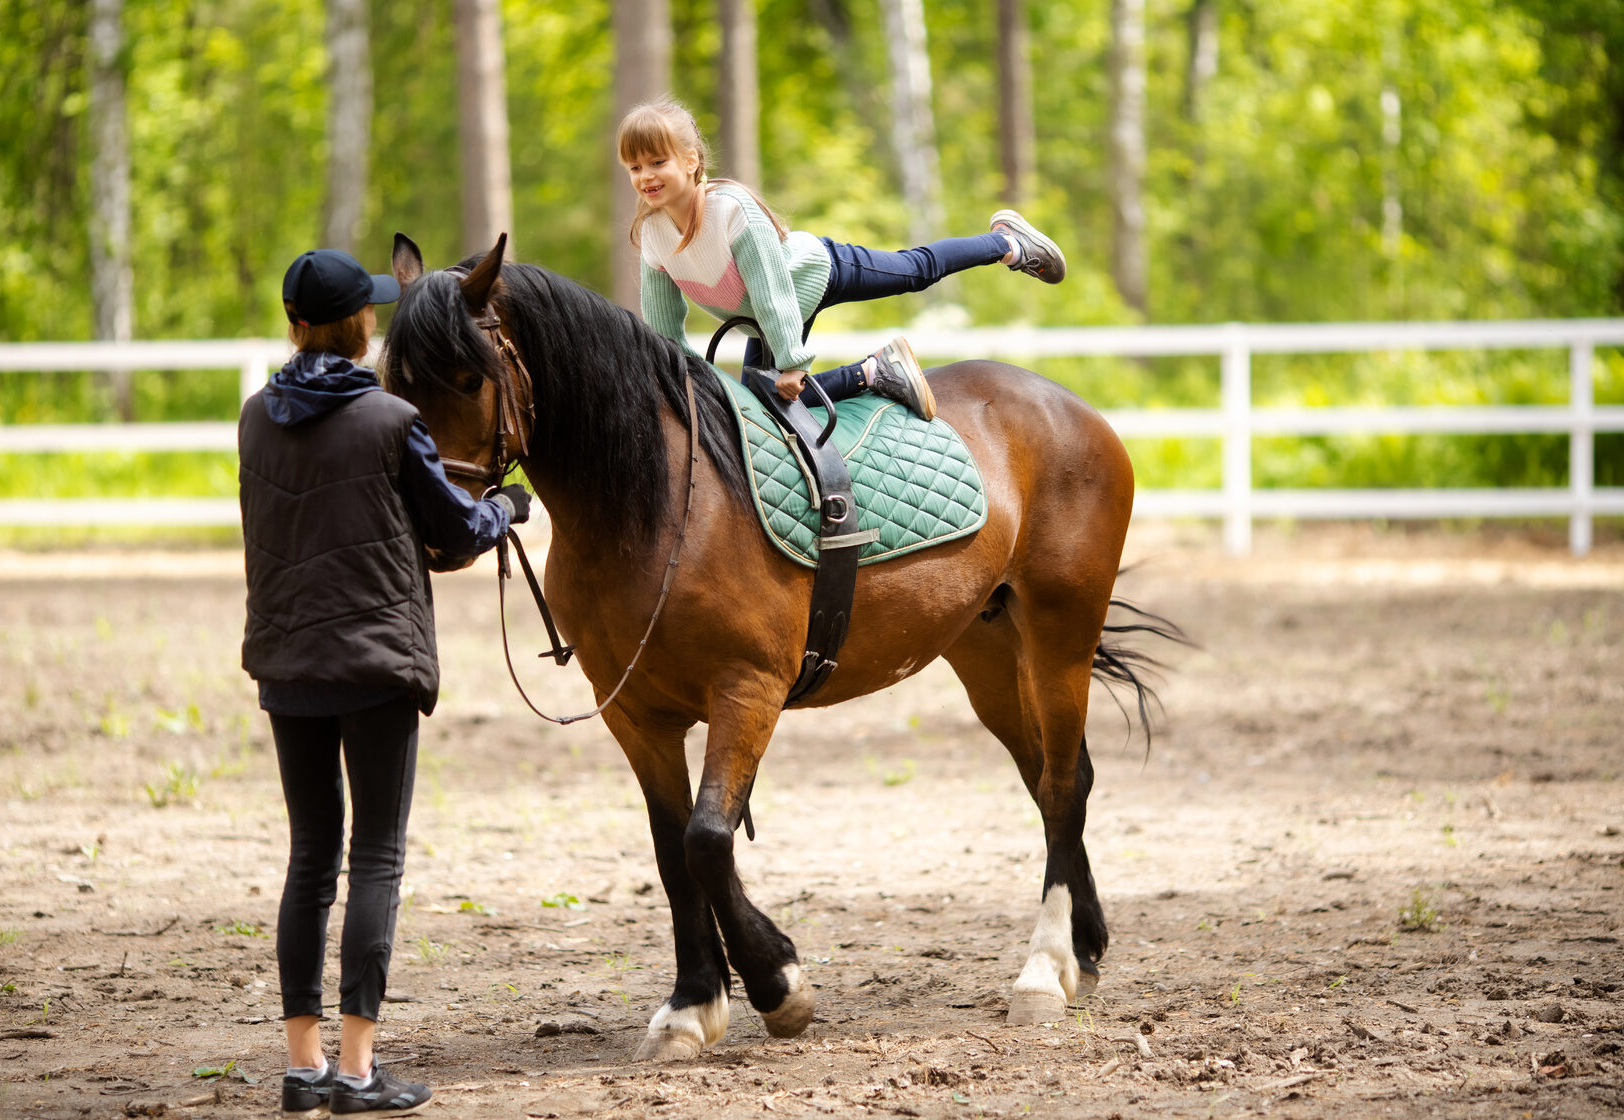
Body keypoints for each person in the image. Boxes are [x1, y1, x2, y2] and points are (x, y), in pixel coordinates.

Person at [239, 248, 532, 1116]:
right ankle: (360, 1072)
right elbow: (457, 526)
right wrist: (507, 509)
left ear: (295, 326)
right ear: (364, 325)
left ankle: (303, 1066)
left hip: (288, 663)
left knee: (309, 861)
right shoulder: (392, 418)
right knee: (376, 858)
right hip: (377, 664)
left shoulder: (256, 417)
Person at [618, 97, 1067, 423]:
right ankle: (875, 371)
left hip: (816, 273)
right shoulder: (654, 234)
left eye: (658, 161)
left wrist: (793, 362)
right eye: (635, 168)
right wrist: (675, 377)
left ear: (692, 160)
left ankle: (1006, 242)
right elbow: (662, 326)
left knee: (915, 270)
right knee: (761, 400)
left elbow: (774, 294)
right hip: (768, 316)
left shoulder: (729, 210)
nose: (646, 176)